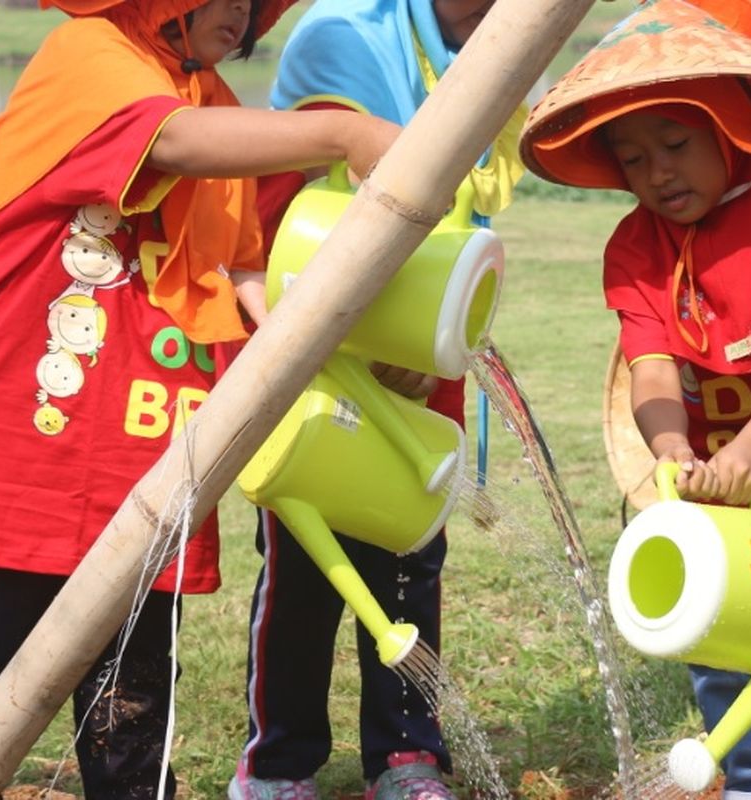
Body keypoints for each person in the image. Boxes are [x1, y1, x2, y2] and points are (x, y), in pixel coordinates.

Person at [0, 0, 402, 798]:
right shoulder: (91, 53)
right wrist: (343, 134)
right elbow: (170, 141)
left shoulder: (208, 95)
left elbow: (243, 271)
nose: (250, 17)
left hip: (142, 459)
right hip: (27, 446)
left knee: (132, 708)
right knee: (1, 650)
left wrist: (326, 348)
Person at [522, 3, 751, 797]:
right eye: (634, 161)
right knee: (720, 649)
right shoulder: (637, 248)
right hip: (717, 498)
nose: (658, 174)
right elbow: (652, 372)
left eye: (676, 145)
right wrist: (673, 449)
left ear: (732, 131)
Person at [227, 2, 525, 799]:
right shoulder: (344, 42)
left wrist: (430, 353)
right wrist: (303, 341)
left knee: (408, 564)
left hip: (422, 370)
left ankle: (406, 755)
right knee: (303, 574)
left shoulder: (496, 57)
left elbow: (464, 238)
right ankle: (278, 762)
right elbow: (261, 232)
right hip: (321, 373)